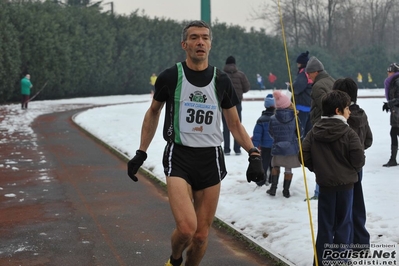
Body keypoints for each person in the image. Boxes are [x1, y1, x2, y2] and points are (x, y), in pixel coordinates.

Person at [126, 20, 264, 266]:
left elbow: (234, 124)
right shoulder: (170, 76)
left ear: (210, 45)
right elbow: (154, 112)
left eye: (205, 37)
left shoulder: (222, 81)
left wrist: (253, 153)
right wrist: (141, 152)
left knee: (201, 237)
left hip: (210, 158)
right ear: (184, 44)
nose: (200, 41)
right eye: (194, 37)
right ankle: (175, 260)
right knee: (187, 229)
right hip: (179, 156)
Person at [301, 90, 365, 265]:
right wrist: (350, 170)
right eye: (346, 108)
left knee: (325, 226)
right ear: (338, 111)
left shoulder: (314, 131)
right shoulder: (349, 132)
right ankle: (341, 261)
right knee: (344, 225)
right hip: (346, 187)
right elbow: (358, 158)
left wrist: (317, 168)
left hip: (325, 186)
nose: (349, 112)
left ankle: (322, 261)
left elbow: (303, 153)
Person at [332, 77, 373, 251]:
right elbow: (369, 140)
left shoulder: (341, 119)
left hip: (341, 167)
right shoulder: (362, 114)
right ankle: (361, 243)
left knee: (343, 207)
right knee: (357, 203)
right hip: (358, 166)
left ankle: (344, 245)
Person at [305, 56, 335, 200]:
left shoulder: (318, 86)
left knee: (321, 162)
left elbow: (326, 107)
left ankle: (319, 192)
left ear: (315, 72)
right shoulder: (332, 81)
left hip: (322, 128)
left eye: (309, 73)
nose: (308, 76)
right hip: (335, 128)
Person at [267, 90, 301, 198]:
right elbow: (300, 132)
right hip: (291, 147)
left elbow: (271, 132)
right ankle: (286, 191)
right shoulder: (295, 117)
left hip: (277, 146)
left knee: (275, 166)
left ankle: (273, 188)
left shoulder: (272, 118)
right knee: (288, 169)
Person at [222, 55, 251, 155]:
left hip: (224, 104)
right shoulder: (241, 75)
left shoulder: (221, 75)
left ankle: (226, 149)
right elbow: (247, 88)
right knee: (237, 125)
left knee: (226, 126)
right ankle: (237, 148)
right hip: (237, 103)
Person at [252, 94, 275, 187]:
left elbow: (257, 135)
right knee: (273, 165)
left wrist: (254, 147)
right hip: (276, 146)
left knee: (264, 164)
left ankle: (261, 180)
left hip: (265, 146)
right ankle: (272, 180)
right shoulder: (278, 119)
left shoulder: (261, 120)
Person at [291, 51, 312, 138]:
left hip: (302, 108)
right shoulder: (310, 72)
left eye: (298, 63)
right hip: (310, 107)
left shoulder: (303, 74)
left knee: (300, 134)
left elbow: (297, 88)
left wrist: (290, 87)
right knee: (308, 133)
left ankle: (300, 151)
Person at [382, 63, 399, 167]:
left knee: (393, 133)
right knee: (394, 133)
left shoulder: (397, 82)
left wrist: (390, 103)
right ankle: (393, 159)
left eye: (390, 72)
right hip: (396, 112)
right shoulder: (394, 81)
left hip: (398, 113)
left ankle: (393, 159)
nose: (388, 74)